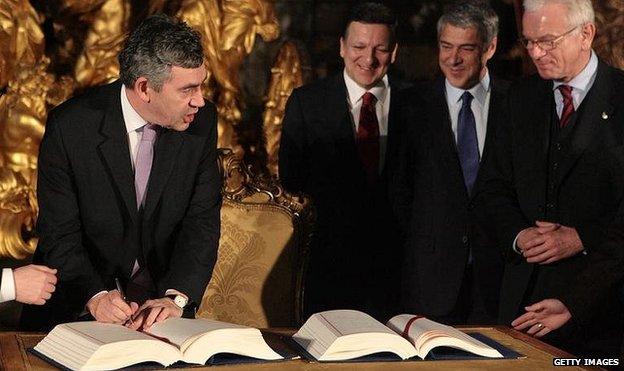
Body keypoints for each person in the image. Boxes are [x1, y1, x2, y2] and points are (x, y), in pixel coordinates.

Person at [20, 14, 222, 331]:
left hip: (161, 315)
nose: (199, 100)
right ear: (144, 88)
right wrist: (95, 296)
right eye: (187, 90)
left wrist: (176, 299)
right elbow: (60, 232)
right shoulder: (71, 127)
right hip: (75, 310)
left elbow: (202, 223)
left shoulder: (202, 122)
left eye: (201, 86)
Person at [478, 0, 624, 358]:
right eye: (529, 42)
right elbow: (492, 188)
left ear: (585, 34)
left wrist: (581, 239)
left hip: (602, 310)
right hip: (521, 308)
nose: (536, 52)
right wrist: (519, 235)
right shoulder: (518, 98)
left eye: (547, 41)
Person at [279, 2, 409, 319]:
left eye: (380, 48)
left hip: (403, 273)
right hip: (328, 271)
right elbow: (293, 187)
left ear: (394, 51)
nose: (368, 58)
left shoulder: (419, 102)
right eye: (359, 46)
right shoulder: (306, 104)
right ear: (342, 47)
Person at [390, 0, 506, 325]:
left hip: (499, 282)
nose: (453, 59)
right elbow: (398, 194)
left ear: (490, 47)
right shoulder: (409, 107)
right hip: (428, 285)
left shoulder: (517, 104)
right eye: (446, 47)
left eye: (466, 49)